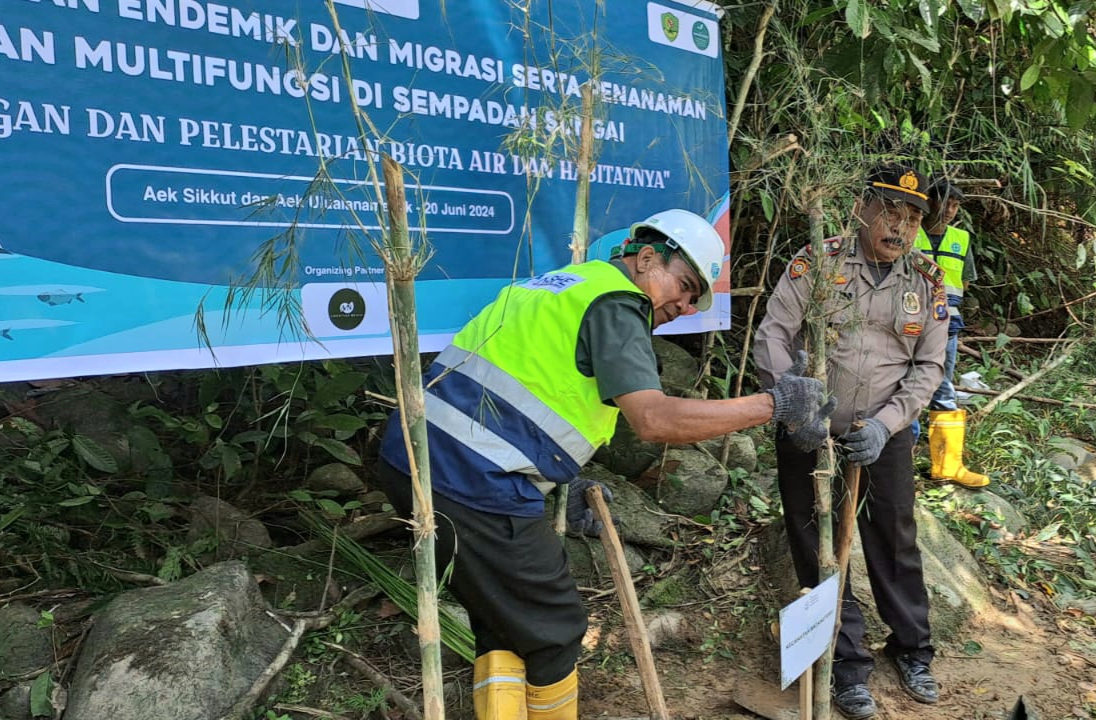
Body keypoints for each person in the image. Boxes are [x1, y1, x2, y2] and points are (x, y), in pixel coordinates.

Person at [378, 208, 836, 720]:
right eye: (684, 286)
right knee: (556, 627)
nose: (684, 306)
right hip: (473, 478)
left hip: (415, 457)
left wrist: (550, 481)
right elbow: (654, 420)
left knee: (503, 619)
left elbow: (521, 389)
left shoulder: (562, 285)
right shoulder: (619, 303)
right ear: (645, 259)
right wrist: (775, 405)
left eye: (693, 300)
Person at [753, 165, 948, 720]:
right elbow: (774, 334)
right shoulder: (819, 260)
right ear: (862, 207)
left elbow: (929, 366)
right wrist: (798, 404)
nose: (901, 226)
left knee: (893, 539)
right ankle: (846, 664)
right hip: (809, 431)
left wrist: (888, 423)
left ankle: (912, 649)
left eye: (912, 218)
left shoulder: (926, 279)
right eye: (890, 211)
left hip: (882, 435)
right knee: (815, 544)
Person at [914, 179, 989, 487]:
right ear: (928, 202)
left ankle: (947, 465)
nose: (950, 211)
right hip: (908, 326)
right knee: (902, 386)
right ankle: (900, 462)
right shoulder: (909, 232)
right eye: (944, 203)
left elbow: (965, 282)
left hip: (947, 326)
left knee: (942, 386)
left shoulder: (961, 238)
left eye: (956, 205)